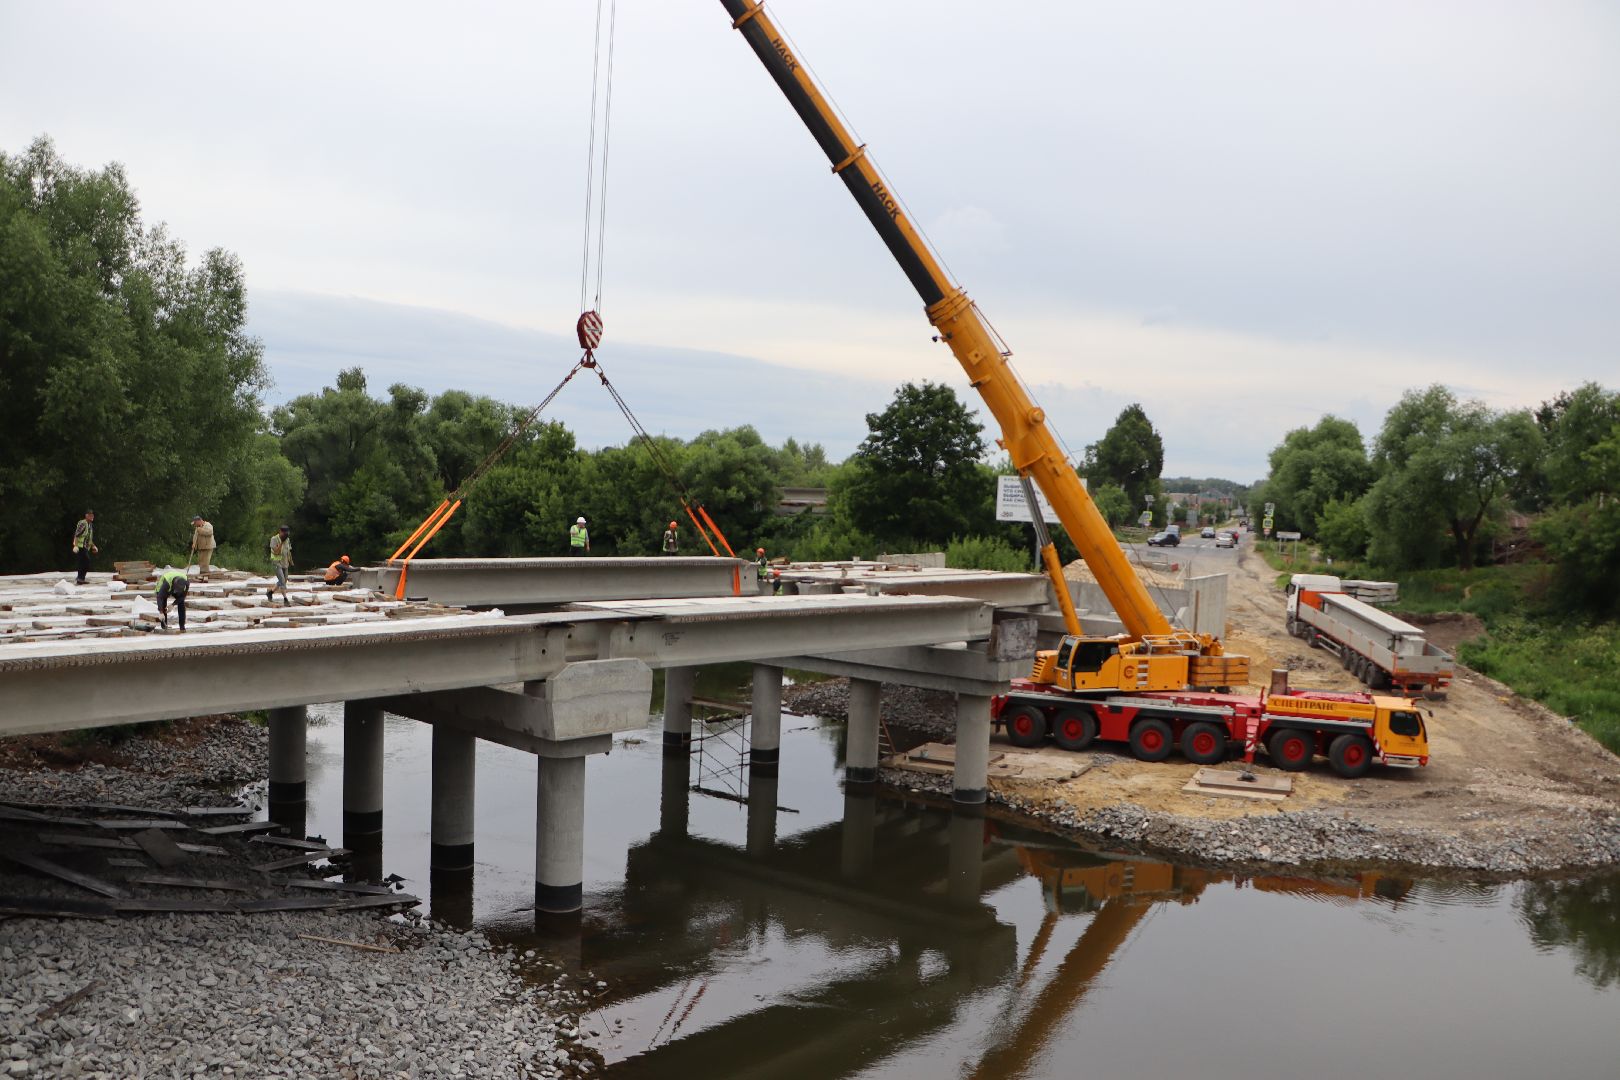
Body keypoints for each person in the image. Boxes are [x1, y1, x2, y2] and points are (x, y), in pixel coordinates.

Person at [154, 566, 190, 631]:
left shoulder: (186, 583)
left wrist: (173, 604)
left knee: (181, 603)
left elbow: (183, 597)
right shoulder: (167, 583)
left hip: (175, 587)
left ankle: (182, 626)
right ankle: (164, 625)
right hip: (163, 588)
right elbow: (159, 597)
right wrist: (161, 612)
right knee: (163, 602)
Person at [267, 525, 293, 606]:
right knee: (282, 581)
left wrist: (291, 561)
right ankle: (285, 599)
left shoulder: (287, 539)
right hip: (276, 562)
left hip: (285, 563)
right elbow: (276, 552)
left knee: (284, 580)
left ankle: (270, 592)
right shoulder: (274, 539)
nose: (286, 535)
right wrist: (281, 542)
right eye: (284, 533)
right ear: (280, 532)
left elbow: (288, 551)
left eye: (287, 533)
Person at [71, 510, 99, 585]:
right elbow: (77, 534)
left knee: (83, 562)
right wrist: (75, 545)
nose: (92, 517)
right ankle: (80, 578)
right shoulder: (83, 523)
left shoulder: (90, 525)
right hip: (80, 546)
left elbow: (89, 538)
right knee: (86, 561)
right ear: (86, 516)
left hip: (85, 547)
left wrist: (93, 546)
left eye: (93, 515)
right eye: (90, 515)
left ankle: (80, 578)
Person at [189, 515, 216, 580]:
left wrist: (200, 530)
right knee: (201, 560)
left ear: (199, 521)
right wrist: (194, 543)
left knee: (205, 561)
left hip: (208, 546)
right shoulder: (197, 527)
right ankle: (202, 573)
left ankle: (205, 575)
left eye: (195, 523)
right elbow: (195, 536)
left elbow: (210, 532)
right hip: (201, 546)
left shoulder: (208, 525)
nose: (195, 525)